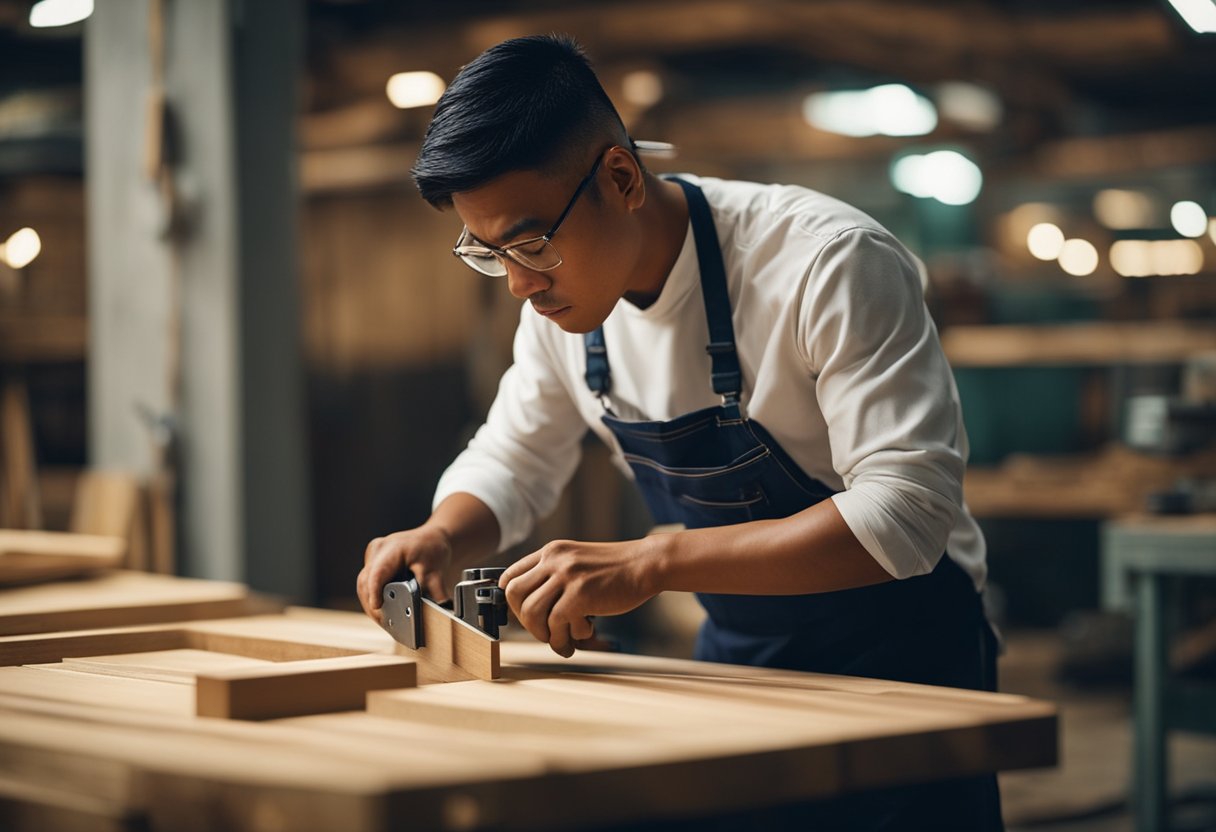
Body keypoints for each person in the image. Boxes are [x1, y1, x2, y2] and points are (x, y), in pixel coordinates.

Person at [357, 33, 1003, 830]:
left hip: (906, 670)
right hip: (740, 663)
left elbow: (906, 516)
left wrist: (656, 560)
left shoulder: (827, 263)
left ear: (621, 177)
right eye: (489, 253)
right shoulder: (561, 313)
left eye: (531, 243)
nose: (521, 284)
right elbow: (518, 454)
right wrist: (443, 535)